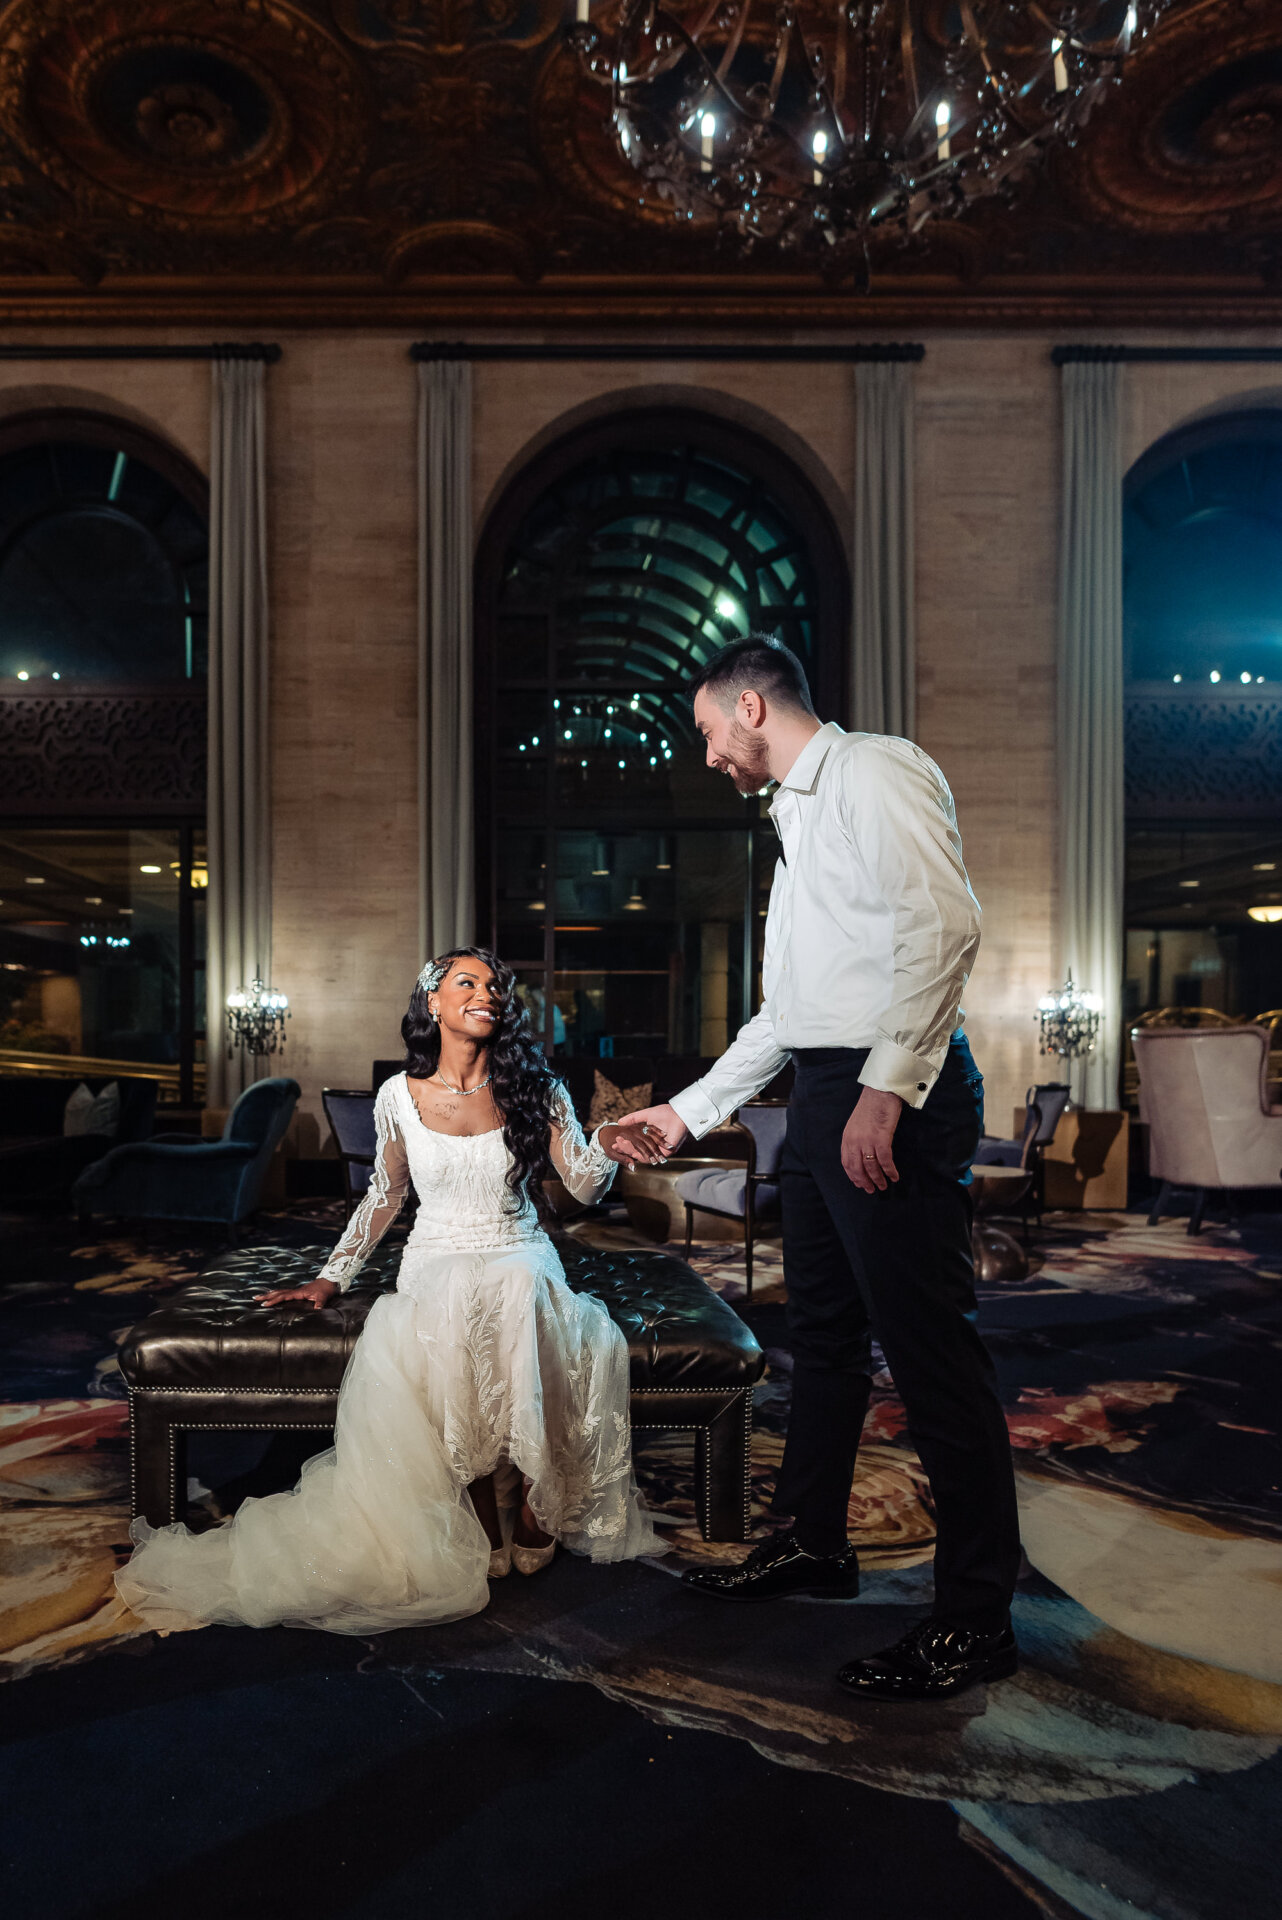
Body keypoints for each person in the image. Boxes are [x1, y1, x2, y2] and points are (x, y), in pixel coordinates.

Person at [622, 638, 1022, 1701]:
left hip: (886, 1090)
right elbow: (785, 1014)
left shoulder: (876, 770)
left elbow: (945, 927)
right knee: (825, 1340)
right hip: (820, 1089)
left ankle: (977, 1617)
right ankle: (814, 1543)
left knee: (930, 1351)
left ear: (750, 706)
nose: (708, 756)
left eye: (709, 732)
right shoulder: (791, 816)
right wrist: (687, 1111)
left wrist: (884, 1094)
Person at [114, 948, 667, 1636]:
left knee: (521, 1286)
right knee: (455, 1296)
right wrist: (331, 1275)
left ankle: (533, 1504)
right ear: (432, 1002)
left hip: (519, 1246)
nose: (485, 993)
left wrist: (607, 1141)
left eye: (494, 985)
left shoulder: (537, 1085)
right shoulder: (398, 1097)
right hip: (435, 1252)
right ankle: (478, 1510)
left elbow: (582, 1188)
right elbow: (385, 1194)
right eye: (467, 982)